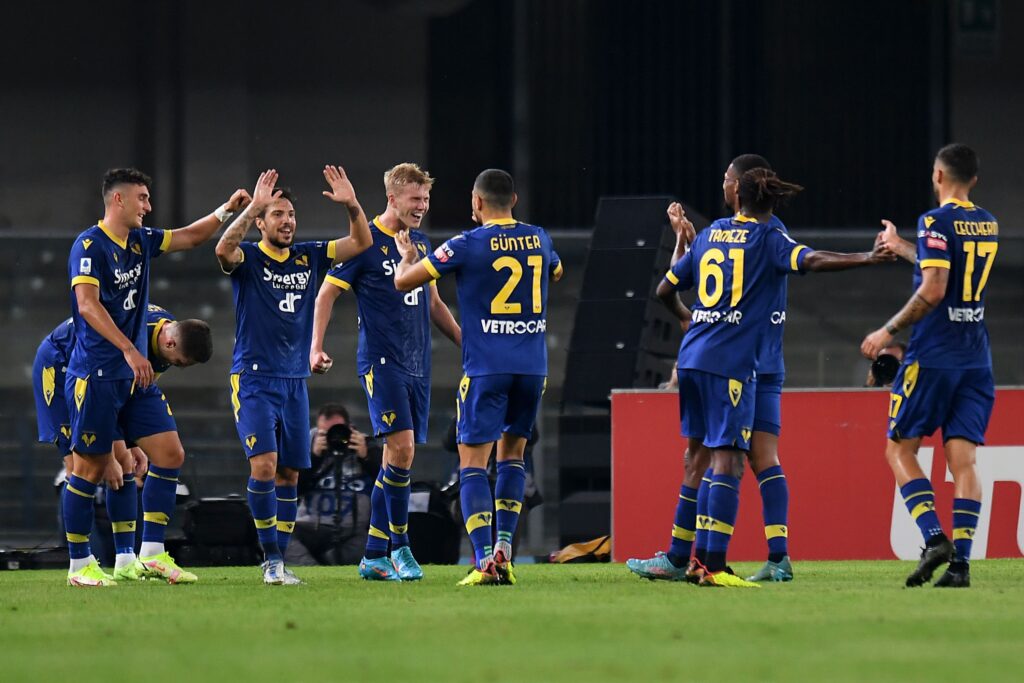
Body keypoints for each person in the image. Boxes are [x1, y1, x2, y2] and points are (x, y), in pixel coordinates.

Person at [633, 167, 892, 588]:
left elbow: (670, 285)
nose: (722, 184)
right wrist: (867, 257)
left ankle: (754, 557)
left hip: (724, 357)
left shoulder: (724, 233)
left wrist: (690, 309)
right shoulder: (769, 237)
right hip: (741, 359)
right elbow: (811, 260)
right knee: (728, 458)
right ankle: (709, 563)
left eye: (726, 178)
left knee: (724, 456)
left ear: (737, 189)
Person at [63, 167, 249, 587]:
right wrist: (129, 349)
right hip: (97, 374)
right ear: (119, 200)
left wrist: (227, 210)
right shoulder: (89, 245)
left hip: (133, 377)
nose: (148, 206)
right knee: (90, 469)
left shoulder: (140, 241)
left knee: (170, 453)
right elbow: (88, 305)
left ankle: (150, 554)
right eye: (142, 198)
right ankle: (79, 565)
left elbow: (191, 237)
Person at [394, 168, 562, 586]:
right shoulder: (539, 238)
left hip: (487, 368)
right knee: (513, 457)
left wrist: (407, 257)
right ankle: (506, 550)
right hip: (532, 368)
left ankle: (485, 559)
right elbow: (556, 272)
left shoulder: (466, 244)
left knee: (472, 463)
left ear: (477, 202)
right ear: (514, 201)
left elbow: (404, 283)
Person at [215, 166, 371, 585]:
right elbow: (223, 250)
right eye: (277, 214)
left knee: (289, 475)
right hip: (254, 379)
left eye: (290, 215)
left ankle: (279, 563)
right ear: (261, 222)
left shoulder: (309, 255)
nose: (286, 221)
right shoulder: (249, 258)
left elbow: (361, 242)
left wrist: (352, 205)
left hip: (294, 381)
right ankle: (269, 559)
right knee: (264, 467)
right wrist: (252, 208)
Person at [310, 163, 460, 581]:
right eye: (415, 199)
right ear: (393, 198)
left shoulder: (422, 243)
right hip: (382, 361)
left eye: (425, 199)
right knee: (403, 449)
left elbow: (434, 304)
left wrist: (468, 344)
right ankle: (401, 548)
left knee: (397, 459)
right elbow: (325, 295)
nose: (422, 206)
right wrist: (315, 347)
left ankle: (374, 555)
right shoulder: (364, 242)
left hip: (418, 363)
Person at [862, 143, 997, 588]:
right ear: (973, 179)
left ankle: (934, 537)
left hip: (934, 354)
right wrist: (901, 246)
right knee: (964, 462)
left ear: (938, 176)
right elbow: (949, 270)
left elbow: (936, 288)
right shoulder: (988, 223)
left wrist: (887, 331)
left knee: (899, 450)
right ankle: (961, 566)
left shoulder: (934, 221)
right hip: (975, 359)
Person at [36, 304, 212, 570]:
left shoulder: (165, 337)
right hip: (62, 369)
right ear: (171, 342)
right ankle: (81, 562)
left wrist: (133, 441)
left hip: (106, 382)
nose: (178, 367)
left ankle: (126, 560)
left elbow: (130, 393)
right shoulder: (129, 336)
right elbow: (102, 394)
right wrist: (109, 449)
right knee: (82, 467)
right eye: (179, 362)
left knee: (125, 464)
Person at [289, 403, 382, 565]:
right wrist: (314, 458)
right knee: (275, 533)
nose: (334, 437)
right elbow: (291, 489)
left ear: (350, 428)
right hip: (309, 527)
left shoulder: (365, 445)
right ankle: (312, 570)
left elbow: (386, 485)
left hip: (351, 532)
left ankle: (321, 565)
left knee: (374, 544)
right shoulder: (306, 446)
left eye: (338, 431)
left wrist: (367, 457)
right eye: (326, 433)